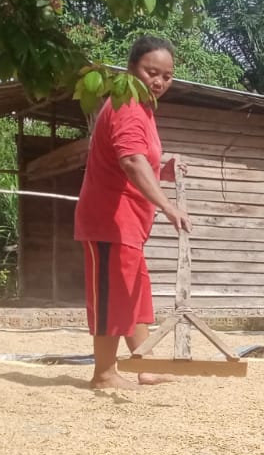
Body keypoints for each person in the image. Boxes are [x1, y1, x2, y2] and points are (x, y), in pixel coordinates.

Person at [74, 35, 192, 390]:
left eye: (167, 76)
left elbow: (141, 159)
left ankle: (145, 365)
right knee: (113, 297)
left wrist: (165, 169)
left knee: (133, 295)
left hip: (129, 226)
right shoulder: (126, 106)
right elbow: (130, 161)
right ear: (131, 68)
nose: (158, 81)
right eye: (151, 71)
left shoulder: (143, 109)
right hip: (109, 221)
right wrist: (168, 205)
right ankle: (105, 374)